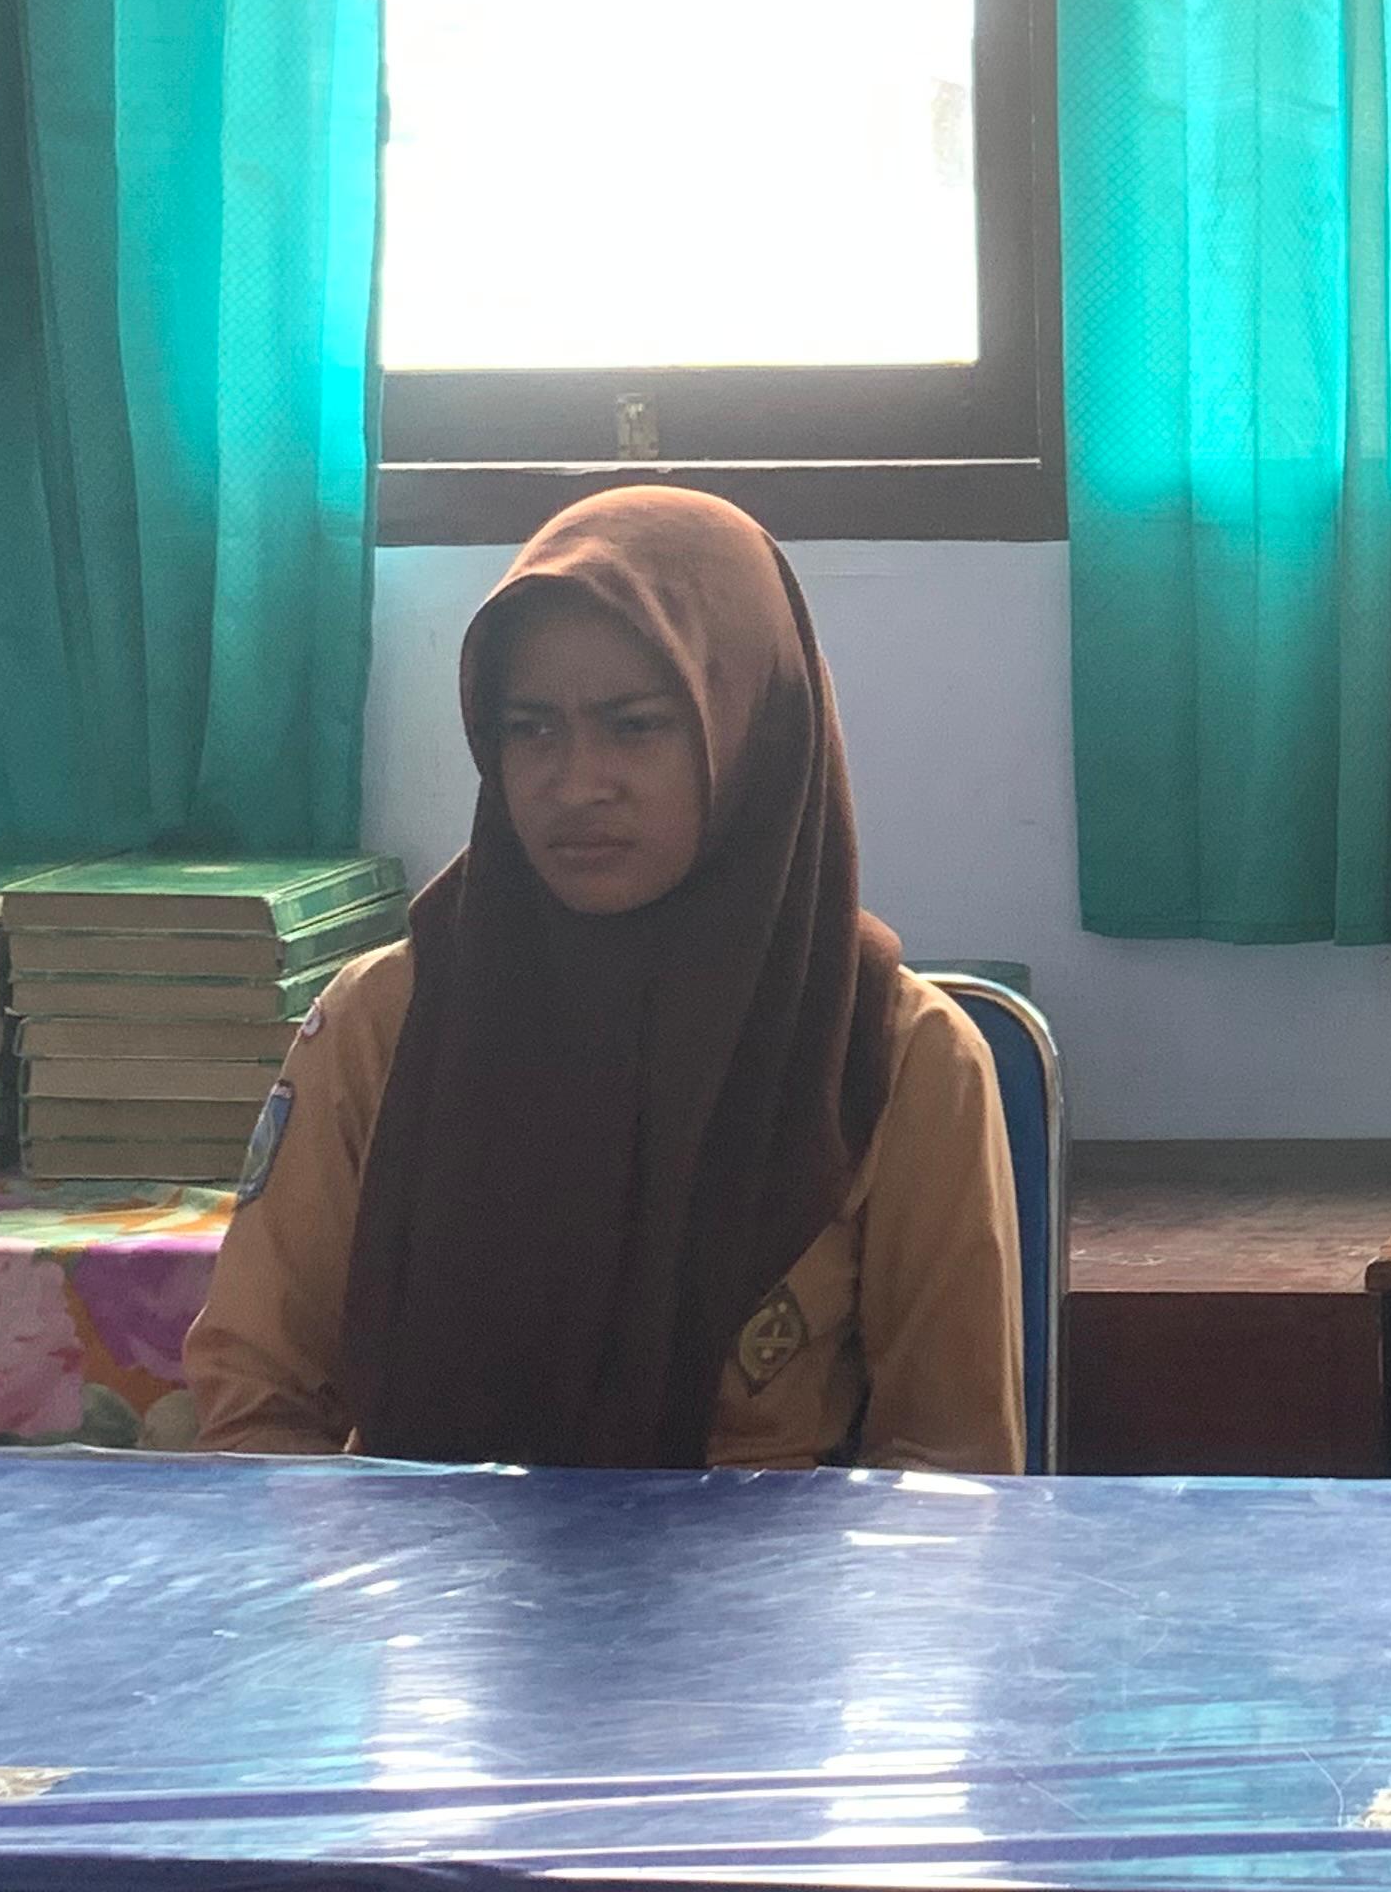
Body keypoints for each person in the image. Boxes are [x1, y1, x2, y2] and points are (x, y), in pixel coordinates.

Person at [188, 485, 1022, 1472]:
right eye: (532, 729)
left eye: (636, 727)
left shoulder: (895, 1059)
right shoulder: (390, 1021)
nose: (578, 784)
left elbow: (952, 1473)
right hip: (427, 1563)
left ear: (751, 730)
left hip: (775, 1572)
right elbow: (256, 1400)